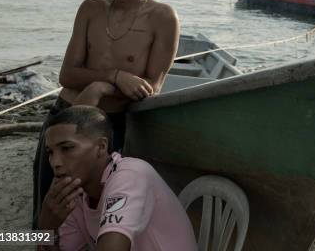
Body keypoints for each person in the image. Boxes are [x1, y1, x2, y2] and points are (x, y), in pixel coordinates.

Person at [33, 0, 180, 228]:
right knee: (47, 204)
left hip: (111, 128)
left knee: (95, 210)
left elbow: (150, 88)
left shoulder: (163, 18)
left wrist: (102, 89)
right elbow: (67, 74)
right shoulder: (90, 9)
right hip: (64, 117)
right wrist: (110, 78)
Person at [37, 105, 197, 251]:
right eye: (50, 152)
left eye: (67, 148)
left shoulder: (129, 176)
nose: (55, 162)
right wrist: (46, 230)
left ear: (101, 147)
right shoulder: (76, 192)